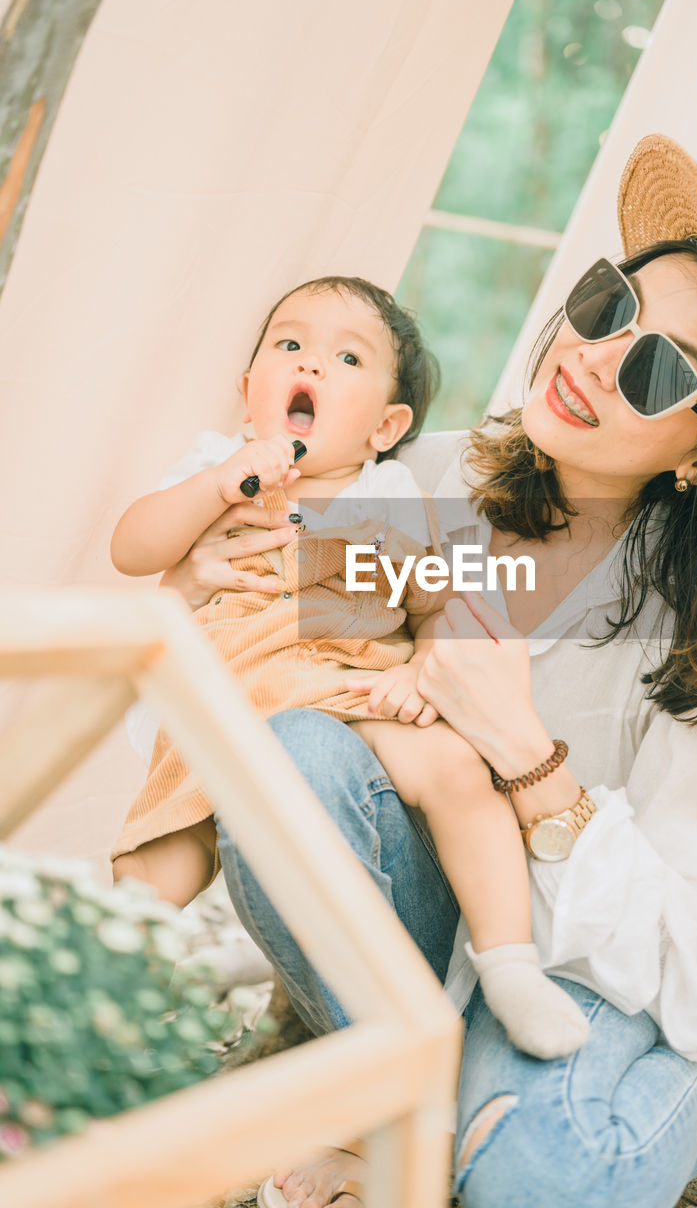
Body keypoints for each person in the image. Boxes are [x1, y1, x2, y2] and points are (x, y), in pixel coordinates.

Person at [156, 136, 697, 1208]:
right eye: (608, 304)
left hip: (594, 983)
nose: (592, 355)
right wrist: (215, 562)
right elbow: (288, 685)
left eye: (661, 367)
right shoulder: (427, 480)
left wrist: (529, 758)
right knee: (291, 749)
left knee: (538, 1173)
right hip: (438, 948)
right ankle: (405, 1099)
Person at [110, 274, 590, 1060]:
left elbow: (439, 604)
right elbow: (133, 548)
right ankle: (109, 987)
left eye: (347, 358)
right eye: (289, 346)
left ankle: (509, 965)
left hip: (351, 686)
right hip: (231, 693)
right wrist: (214, 489)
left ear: (385, 426)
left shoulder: (388, 492)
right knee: (155, 854)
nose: (312, 365)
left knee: (456, 771)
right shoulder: (214, 468)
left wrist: (422, 669)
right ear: (248, 392)